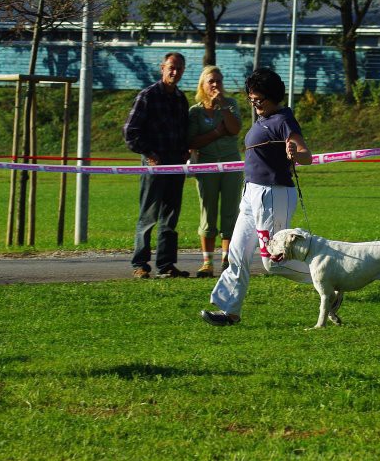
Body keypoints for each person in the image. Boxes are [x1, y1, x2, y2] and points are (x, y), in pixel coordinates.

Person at [200, 68, 320, 326]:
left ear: (273, 97)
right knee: (237, 252)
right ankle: (229, 311)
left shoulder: (283, 119)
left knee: (274, 262)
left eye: (258, 100)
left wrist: (294, 154)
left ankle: (330, 278)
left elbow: (306, 155)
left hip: (273, 194)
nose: (254, 105)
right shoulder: (265, 117)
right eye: (251, 100)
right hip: (252, 193)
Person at [123, 52, 191, 279]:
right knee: (148, 215)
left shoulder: (181, 99)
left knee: (170, 217)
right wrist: (148, 154)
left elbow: (184, 132)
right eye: (171, 67)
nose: (175, 72)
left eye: (179, 68)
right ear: (162, 68)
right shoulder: (148, 96)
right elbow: (130, 132)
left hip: (176, 166)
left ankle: (166, 264)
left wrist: (185, 152)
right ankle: (140, 263)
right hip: (154, 164)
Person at [188, 65, 243, 278]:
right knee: (207, 213)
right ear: (203, 84)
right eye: (211, 81)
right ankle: (206, 262)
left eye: (218, 81)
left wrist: (223, 109)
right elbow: (192, 140)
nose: (215, 85)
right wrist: (217, 132)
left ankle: (226, 259)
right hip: (207, 165)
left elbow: (235, 129)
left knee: (230, 211)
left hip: (231, 165)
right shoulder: (196, 111)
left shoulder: (231, 104)